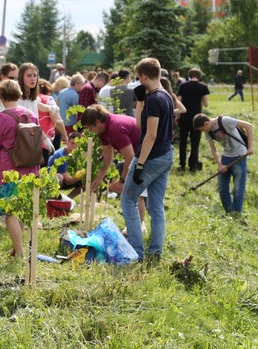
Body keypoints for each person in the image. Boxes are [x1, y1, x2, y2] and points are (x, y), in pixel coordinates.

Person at [121, 58, 174, 262]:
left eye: (138, 78)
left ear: (143, 76)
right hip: (166, 155)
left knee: (128, 200)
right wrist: (140, 101)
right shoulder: (165, 96)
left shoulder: (155, 100)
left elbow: (149, 135)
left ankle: (136, 251)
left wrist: (140, 163)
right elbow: (139, 125)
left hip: (150, 157)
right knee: (156, 205)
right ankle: (155, 253)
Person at [0, 79, 40, 257]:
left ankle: (20, 253)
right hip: (30, 170)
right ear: (19, 94)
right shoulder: (31, 115)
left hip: (8, 171)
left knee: (9, 213)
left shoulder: (0, 119)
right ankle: (16, 248)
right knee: (20, 209)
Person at [80, 104, 146, 222]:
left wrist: (122, 181)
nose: (90, 131)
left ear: (98, 121)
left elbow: (130, 158)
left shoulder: (115, 128)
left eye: (90, 127)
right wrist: (99, 178)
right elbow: (108, 156)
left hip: (147, 155)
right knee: (132, 192)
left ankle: (139, 227)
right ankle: (136, 226)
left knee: (135, 192)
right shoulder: (102, 131)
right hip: (138, 156)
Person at [194, 114, 254, 215]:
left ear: (206, 123)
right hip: (226, 156)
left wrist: (250, 147)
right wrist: (220, 164)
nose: (203, 131)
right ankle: (229, 211)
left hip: (240, 155)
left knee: (238, 187)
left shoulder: (225, 121)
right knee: (222, 187)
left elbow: (249, 126)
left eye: (202, 129)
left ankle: (236, 213)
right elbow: (213, 149)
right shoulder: (208, 131)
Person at [176, 67, 210, 172]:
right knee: (195, 142)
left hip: (184, 116)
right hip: (197, 118)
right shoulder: (203, 87)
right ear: (199, 76)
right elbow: (206, 104)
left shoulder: (183, 85)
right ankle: (193, 165)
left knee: (183, 141)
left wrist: (177, 115)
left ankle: (182, 164)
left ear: (189, 75)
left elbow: (179, 101)